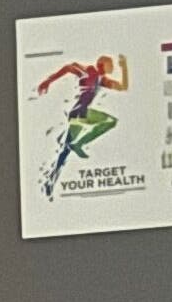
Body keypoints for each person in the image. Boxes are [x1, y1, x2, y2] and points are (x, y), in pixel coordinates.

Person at [37, 54, 131, 199]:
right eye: (110, 64)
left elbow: (123, 87)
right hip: (78, 114)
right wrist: (48, 81)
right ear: (102, 64)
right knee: (65, 151)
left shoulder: (101, 80)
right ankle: (51, 180)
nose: (112, 67)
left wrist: (124, 67)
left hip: (85, 113)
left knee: (109, 121)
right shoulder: (89, 71)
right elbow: (70, 66)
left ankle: (75, 146)